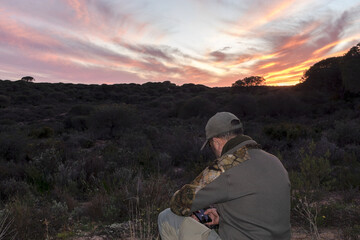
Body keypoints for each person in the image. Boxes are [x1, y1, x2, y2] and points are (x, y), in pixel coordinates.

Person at [158, 112, 291, 240]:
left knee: (167, 216)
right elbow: (259, 208)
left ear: (216, 142)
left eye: (210, 145)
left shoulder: (225, 166)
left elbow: (179, 203)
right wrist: (221, 216)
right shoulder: (274, 161)